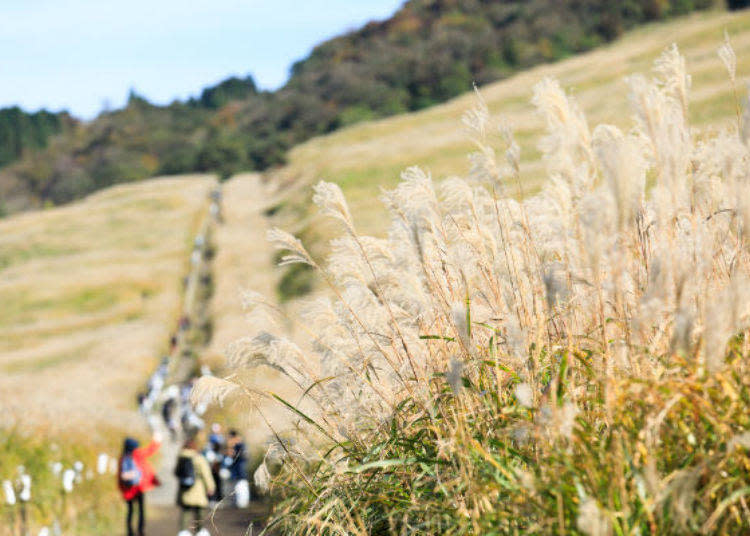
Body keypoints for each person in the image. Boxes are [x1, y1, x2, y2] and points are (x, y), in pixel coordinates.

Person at [118, 434, 161, 536]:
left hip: (128, 489)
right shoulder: (136, 455)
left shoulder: (122, 458)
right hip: (137, 488)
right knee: (140, 510)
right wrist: (156, 441)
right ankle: (140, 531)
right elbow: (149, 451)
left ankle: (130, 531)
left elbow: (120, 476)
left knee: (131, 511)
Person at [175, 437, 215, 535]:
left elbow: (176, 472)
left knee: (185, 512)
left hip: (185, 489)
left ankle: (183, 531)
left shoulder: (181, 458)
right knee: (199, 512)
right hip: (198, 489)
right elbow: (206, 474)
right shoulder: (199, 458)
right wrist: (211, 487)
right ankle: (199, 531)